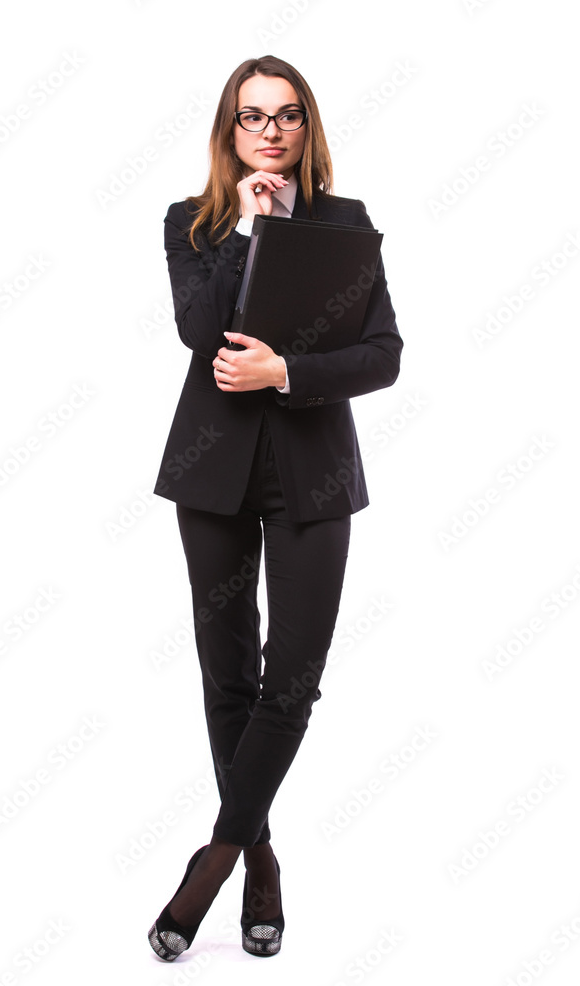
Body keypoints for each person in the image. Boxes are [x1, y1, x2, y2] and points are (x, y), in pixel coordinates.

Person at [148, 55, 403, 961]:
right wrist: (253, 230)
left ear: (307, 126)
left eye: (287, 115)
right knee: (227, 673)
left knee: (292, 678)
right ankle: (261, 857)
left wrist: (286, 371)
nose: (271, 131)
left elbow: (384, 355)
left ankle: (217, 860)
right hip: (212, 470)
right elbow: (198, 330)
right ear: (230, 130)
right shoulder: (193, 223)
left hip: (314, 475)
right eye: (252, 116)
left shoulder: (345, 224)